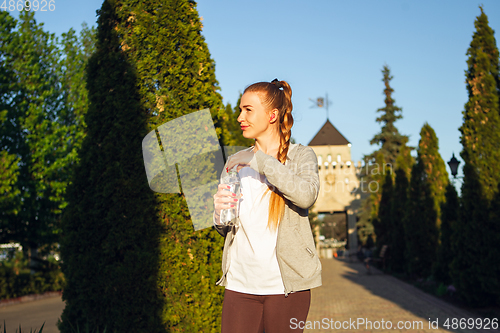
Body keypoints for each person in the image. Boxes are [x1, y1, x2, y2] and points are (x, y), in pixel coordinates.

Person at [212, 79, 321, 333]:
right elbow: (227, 226)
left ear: (272, 115)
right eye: (240, 109)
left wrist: (260, 160)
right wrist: (219, 214)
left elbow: (306, 196)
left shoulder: (300, 156)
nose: (240, 117)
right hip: (239, 286)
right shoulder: (234, 162)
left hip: (285, 288)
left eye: (248, 110)